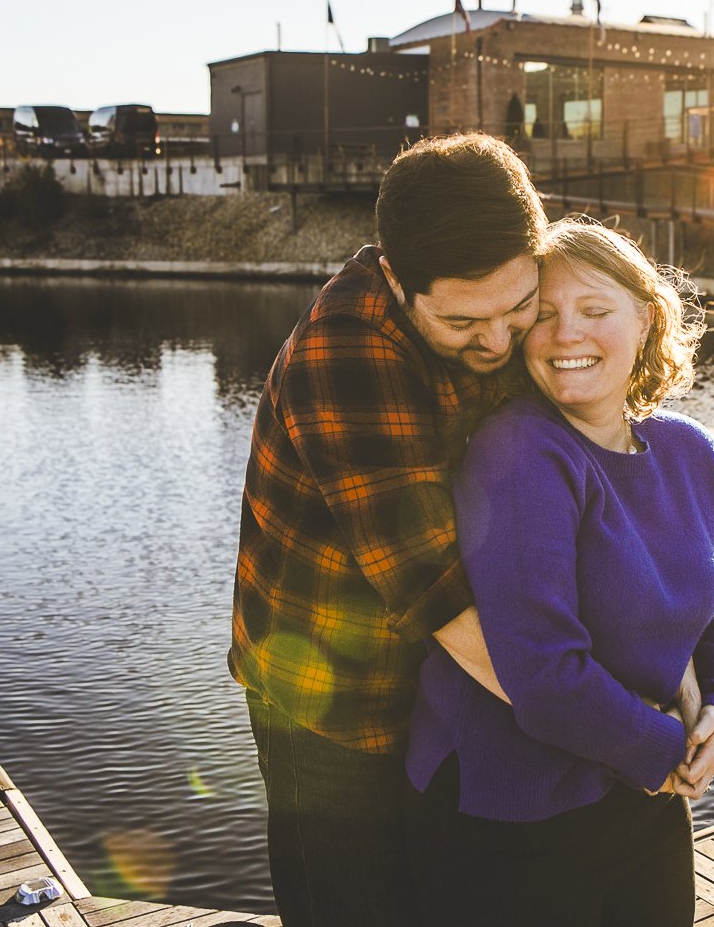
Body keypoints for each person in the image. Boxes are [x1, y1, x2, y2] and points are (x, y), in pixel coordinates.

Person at [229, 133, 548, 927]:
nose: (501, 343)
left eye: (520, 308)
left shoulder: (493, 303)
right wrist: (592, 722)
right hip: (326, 700)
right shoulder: (344, 350)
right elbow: (434, 592)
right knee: (349, 905)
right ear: (399, 282)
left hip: (438, 692)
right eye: (464, 322)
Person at [404, 217, 714, 926]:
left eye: (594, 311)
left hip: (641, 786)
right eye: (544, 316)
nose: (566, 335)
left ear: (646, 319)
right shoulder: (519, 455)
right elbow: (541, 672)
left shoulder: (690, 452)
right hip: (511, 809)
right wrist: (667, 750)